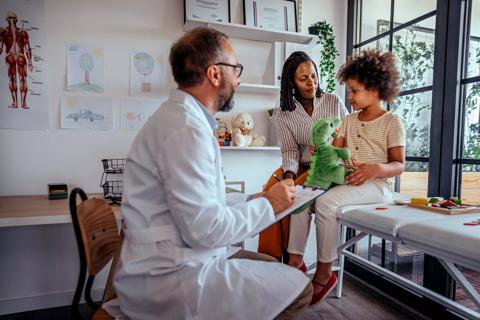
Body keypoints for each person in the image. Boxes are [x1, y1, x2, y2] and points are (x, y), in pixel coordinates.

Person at [113, 27, 313, 320]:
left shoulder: (183, 121)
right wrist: (270, 204)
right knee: (300, 290)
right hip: (173, 277)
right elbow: (206, 230)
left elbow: (200, 204)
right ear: (215, 74)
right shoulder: (186, 130)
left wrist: (253, 198)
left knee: (274, 270)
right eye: (236, 68)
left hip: (175, 258)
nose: (239, 78)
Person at [287, 49, 406, 306]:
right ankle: (294, 263)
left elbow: (398, 165)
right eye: (349, 91)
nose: (349, 97)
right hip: (350, 178)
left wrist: (375, 169)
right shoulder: (349, 120)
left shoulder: (392, 122)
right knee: (302, 197)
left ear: (374, 89)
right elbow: (336, 145)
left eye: (354, 91)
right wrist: (324, 148)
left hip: (377, 185)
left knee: (326, 203)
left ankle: (324, 271)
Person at [258, 51, 348, 263]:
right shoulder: (283, 112)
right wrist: (289, 175)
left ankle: (292, 261)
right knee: (269, 196)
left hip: (329, 167)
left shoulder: (333, 102)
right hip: (299, 167)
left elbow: (349, 133)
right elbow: (290, 150)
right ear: (291, 82)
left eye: (314, 76)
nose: (311, 83)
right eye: (303, 78)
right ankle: (268, 261)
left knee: (291, 199)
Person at [0, 12, 33, 109]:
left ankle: (23, 103)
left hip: (20, 56)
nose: (11, 20)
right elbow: (1, 47)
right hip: (10, 56)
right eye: (10, 18)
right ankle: (15, 102)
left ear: (16, 20)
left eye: (13, 18)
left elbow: (27, 48)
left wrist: (30, 62)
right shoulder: (3, 32)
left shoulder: (23, 33)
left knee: (23, 79)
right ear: (7, 19)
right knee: (12, 78)